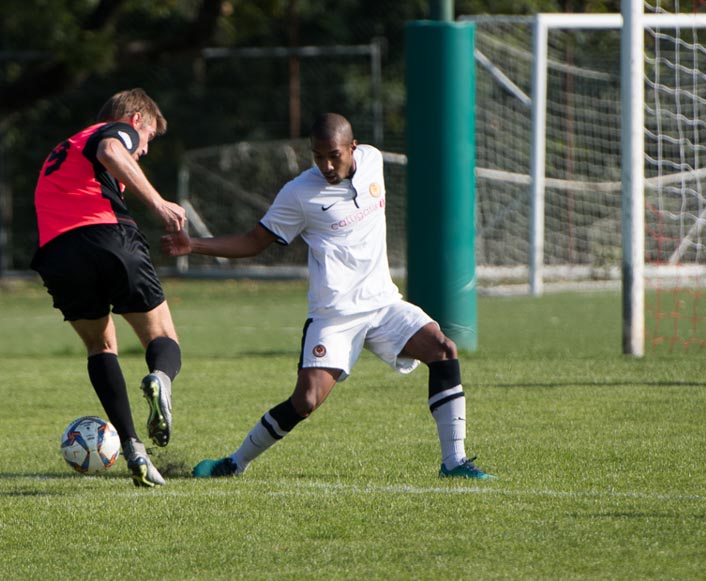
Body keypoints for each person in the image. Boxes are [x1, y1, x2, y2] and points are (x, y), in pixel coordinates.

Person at [162, 113, 494, 480]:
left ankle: (454, 462)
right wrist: (194, 244)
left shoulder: (373, 160)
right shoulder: (298, 193)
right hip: (334, 315)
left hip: (383, 303)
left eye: (334, 155)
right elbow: (253, 241)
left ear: (353, 148)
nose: (326, 166)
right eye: (318, 156)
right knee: (305, 401)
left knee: (443, 349)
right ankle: (233, 463)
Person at [31, 88, 185, 488]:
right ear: (136, 120)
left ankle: (134, 448)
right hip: (106, 236)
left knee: (101, 348)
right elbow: (112, 151)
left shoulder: (64, 149)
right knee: (163, 337)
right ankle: (160, 379)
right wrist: (158, 203)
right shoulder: (115, 130)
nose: (144, 149)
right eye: (148, 137)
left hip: (57, 253)